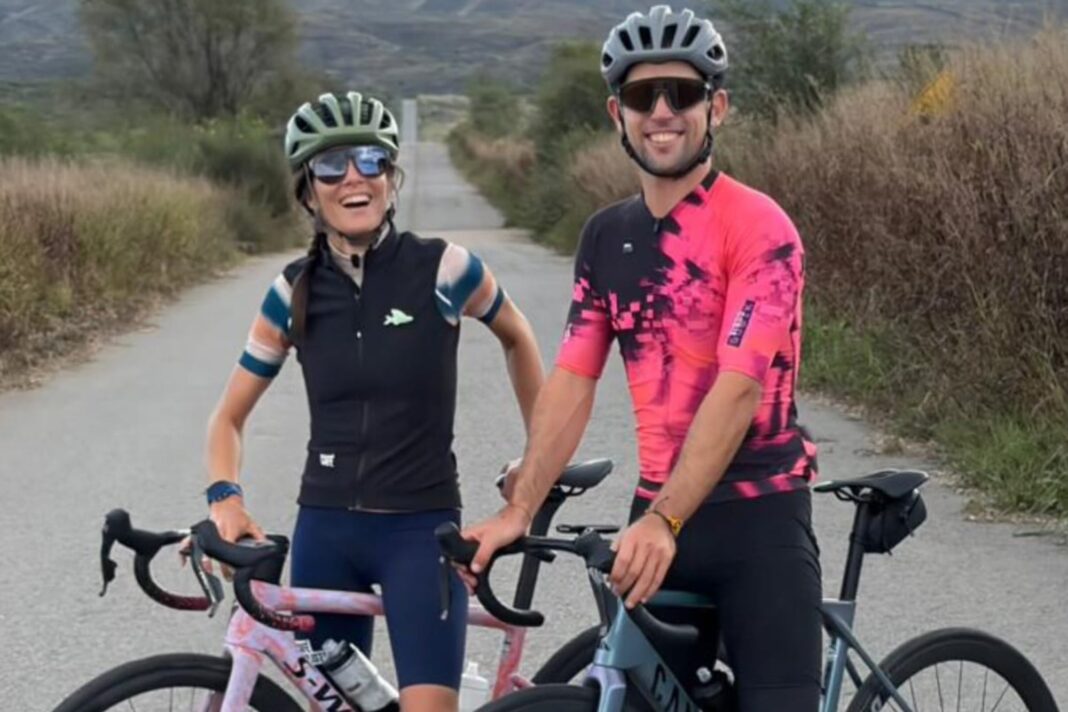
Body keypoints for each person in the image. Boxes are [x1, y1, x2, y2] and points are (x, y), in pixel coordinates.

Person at [459, 6, 821, 710]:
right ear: (615, 113)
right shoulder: (605, 238)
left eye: (681, 94)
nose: (662, 111)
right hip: (657, 511)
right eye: (640, 95)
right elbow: (571, 380)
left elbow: (739, 387)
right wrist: (521, 509)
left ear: (716, 106)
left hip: (757, 518)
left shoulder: (759, 226)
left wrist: (665, 521)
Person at [203, 91, 544, 712]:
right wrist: (225, 497)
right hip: (326, 532)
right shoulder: (293, 292)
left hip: (420, 530)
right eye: (331, 166)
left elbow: (519, 338)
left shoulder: (446, 269)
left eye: (369, 160)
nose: (353, 178)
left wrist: (535, 459)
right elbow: (227, 418)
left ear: (391, 176)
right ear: (309, 189)